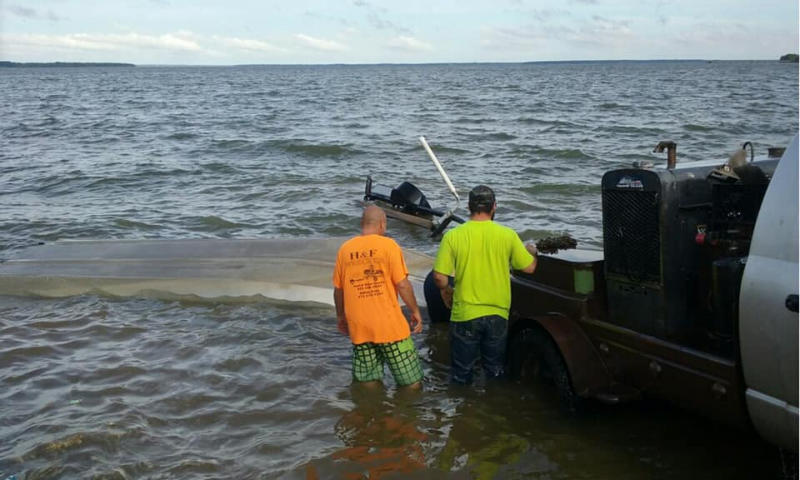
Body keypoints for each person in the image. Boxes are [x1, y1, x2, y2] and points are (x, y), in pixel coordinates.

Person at [432, 185, 537, 384]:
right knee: (495, 369)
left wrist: (446, 289)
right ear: (494, 206)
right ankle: (494, 400)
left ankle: (461, 403)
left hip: (465, 313)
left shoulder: (453, 236)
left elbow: (439, 277)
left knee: (462, 373)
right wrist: (531, 251)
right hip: (498, 313)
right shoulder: (508, 235)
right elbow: (529, 268)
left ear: (468, 206)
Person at [333, 205, 424, 389]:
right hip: (389, 327)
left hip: (360, 326)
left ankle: (373, 404)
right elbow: (402, 284)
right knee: (411, 382)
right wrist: (415, 311)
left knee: (368, 381)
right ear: (383, 224)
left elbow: (338, 290)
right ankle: (403, 406)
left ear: (362, 223)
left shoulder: (345, 249)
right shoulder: (389, 246)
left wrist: (340, 316)